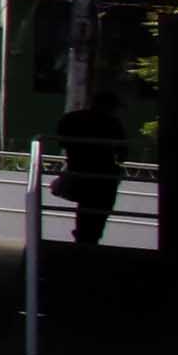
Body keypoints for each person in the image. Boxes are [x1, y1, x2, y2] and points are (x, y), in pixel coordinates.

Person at [52, 88, 130, 247]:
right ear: (109, 106)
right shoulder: (112, 123)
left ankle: (82, 238)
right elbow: (122, 153)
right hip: (103, 176)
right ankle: (90, 241)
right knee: (98, 213)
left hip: (77, 171)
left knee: (85, 209)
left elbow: (62, 142)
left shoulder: (71, 118)